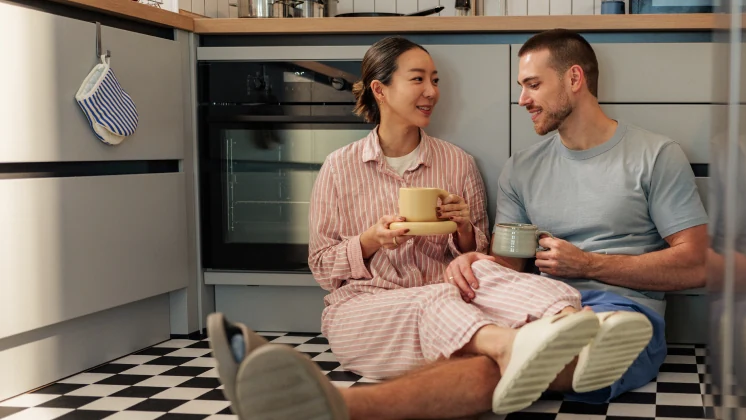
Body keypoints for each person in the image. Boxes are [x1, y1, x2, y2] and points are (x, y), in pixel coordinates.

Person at [207, 35, 652, 420]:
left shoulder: (456, 163)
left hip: (455, 306)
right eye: (418, 79)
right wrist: (369, 240)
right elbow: (323, 268)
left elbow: (480, 261)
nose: (431, 91)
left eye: (435, 80)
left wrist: (462, 234)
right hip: (365, 311)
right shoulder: (339, 168)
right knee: (439, 299)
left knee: (491, 273)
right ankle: (521, 344)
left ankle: (574, 323)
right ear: (380, 89)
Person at [447, 28, 710, 404]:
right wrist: (478, 260)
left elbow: (696, 263)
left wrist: (588, 264)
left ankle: (349, 409)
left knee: (488, 368)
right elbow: (510, 266)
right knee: (453, 331)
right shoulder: (521, 167)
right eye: (522, 86)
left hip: (623, 316)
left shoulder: (655, 155)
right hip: (536, 307)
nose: (522, 100)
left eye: (533, 85)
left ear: (574, 78)